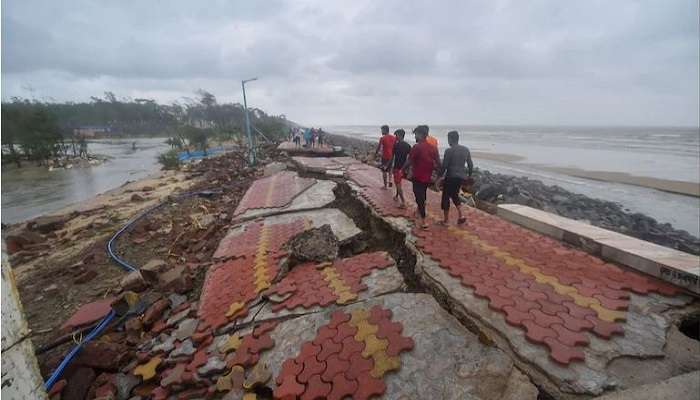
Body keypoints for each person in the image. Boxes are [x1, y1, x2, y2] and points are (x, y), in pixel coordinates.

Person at [402, 125, 440, 229]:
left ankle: (423, 222)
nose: (415, 136)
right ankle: (419, 211)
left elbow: (409, 161)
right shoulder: (433, 148)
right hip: (427, 178)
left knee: (419, 198)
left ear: (421, 135)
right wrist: (438, 177)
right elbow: (438, 163)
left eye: (416, 134)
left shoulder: (417, 147)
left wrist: (402, 170)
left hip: (417, 177)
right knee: (422, 195)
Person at [437, 130, 473, 225]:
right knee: (454, 195)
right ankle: (461, 216)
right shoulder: (466, 149)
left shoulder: (449, 151)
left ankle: (446, 220)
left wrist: (439, 176)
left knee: (445, 197)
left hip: (451, 177)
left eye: (448, 139)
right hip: (460, 177)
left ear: (450, 139)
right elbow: (470, 164)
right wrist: (469, 176)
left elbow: (444, 166)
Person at [390, 129, 411, 208]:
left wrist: (388, 166)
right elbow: (410, 158)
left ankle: (403, 202)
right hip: (404, 168)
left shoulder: (396, 145)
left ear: (399, 135)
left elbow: (392, 158)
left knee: (398, 184)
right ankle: (396, 196)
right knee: (399, 183)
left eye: (396, 135)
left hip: (397, 168)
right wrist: (408, 169)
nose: (395, 137)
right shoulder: (408, 146)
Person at [375, 125, 396, 189]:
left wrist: (376, 153)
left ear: (385, 130)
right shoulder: (394, 137)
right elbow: (395, 146)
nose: (381, 131)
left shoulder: (382, 138)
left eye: (382, 130)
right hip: (392, 156)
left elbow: (379, 147)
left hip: (385, 157)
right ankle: (390, 181)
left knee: (384, 171)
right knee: (390, 170)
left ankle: (385, 186)